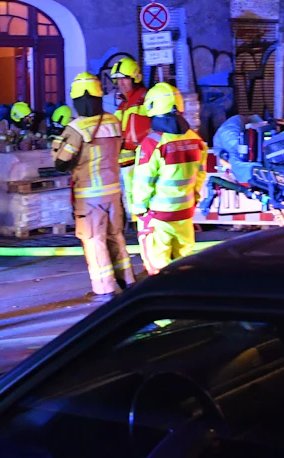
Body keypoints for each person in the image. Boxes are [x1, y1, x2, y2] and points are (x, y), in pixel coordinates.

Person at [52, 73, 132, 296]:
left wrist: (57, 141)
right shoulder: (113, 121)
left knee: (94, 241)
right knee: (115, 236)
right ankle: (127, 281)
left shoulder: (76, 128)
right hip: (114, 192)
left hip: (89, 197)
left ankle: (104, 290)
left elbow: (61, 163)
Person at [127, 82, 208, 274]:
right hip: (185, 213)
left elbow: (143, 182)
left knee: (158, 269)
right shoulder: (196, 140)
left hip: (157, 216)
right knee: (185, 266)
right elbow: (200, 174)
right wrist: (193, 199)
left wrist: (138, 209)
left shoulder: (153, 144)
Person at [108, 56, 149, 170]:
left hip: (143, 162)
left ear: (136, 78)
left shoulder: (147, 98)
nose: (120, 83)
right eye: (118, 79)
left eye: (125, 78)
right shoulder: (122, 104)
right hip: (125, 163)